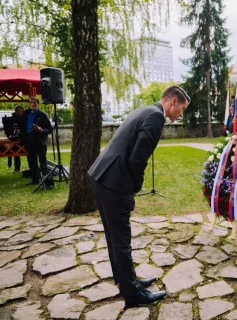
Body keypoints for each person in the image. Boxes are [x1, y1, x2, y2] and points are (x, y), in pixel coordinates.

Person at [88, 85, 190, 308]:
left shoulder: (145, 110)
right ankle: (133, 294)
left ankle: (127, 281)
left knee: (115, 238)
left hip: (102, 176)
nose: (181, 114)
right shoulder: (156, 117)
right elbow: (137, 159)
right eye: (182, 108)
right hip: (114, 181)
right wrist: (135, 186)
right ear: (173, 101)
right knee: (121, 240)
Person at [20, 97, 52, 185]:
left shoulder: (43, 115)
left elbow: (49, 129)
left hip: (40, 141)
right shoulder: (26, 114)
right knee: (32, 161)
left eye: (34, 102)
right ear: (29, 104)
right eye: (31, 103)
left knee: (42, 161)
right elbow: (22, 127)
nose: (32, 104)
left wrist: (41, 130)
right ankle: (35, 180)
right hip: (29, 141)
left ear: (38, 103)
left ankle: (46, 180)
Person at [2, 105, 25, 173]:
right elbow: (8, 130)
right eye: (20, 111)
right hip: (15, 139)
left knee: (29, 153)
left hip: (24, 139)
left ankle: (30, 168)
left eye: (22, 111)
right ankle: (17, 168)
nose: (22, 112)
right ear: (16, 112)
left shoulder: (24, 118)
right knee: (16, 153)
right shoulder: (11, 119)